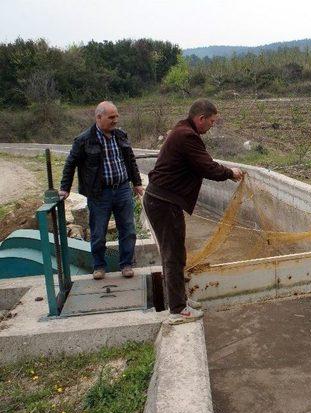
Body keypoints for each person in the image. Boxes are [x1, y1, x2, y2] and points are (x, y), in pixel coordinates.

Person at [143, 99, 243, 325]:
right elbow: (207, 167)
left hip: (162, 200)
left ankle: (180, 299)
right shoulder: (187, 136)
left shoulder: (182, 130)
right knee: (173, 254)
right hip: (163, 202)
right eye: (212, 121)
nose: (212, 126)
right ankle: (178, 309)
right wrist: (231, 173)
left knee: (175, 252)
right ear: (201, 118)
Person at [60, 101, 144, 279]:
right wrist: (64, 188)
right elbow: (70, 164)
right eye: (111, 117)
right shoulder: (84, 140)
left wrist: (136, 183)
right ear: (99, 117)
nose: (115, 120)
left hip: (122, 189)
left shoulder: (120, 136)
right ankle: (99, 266)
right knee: (98, 232)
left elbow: (130, 160)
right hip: (99, 193)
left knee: (128, 229)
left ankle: (126, 264)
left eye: (116, 117)